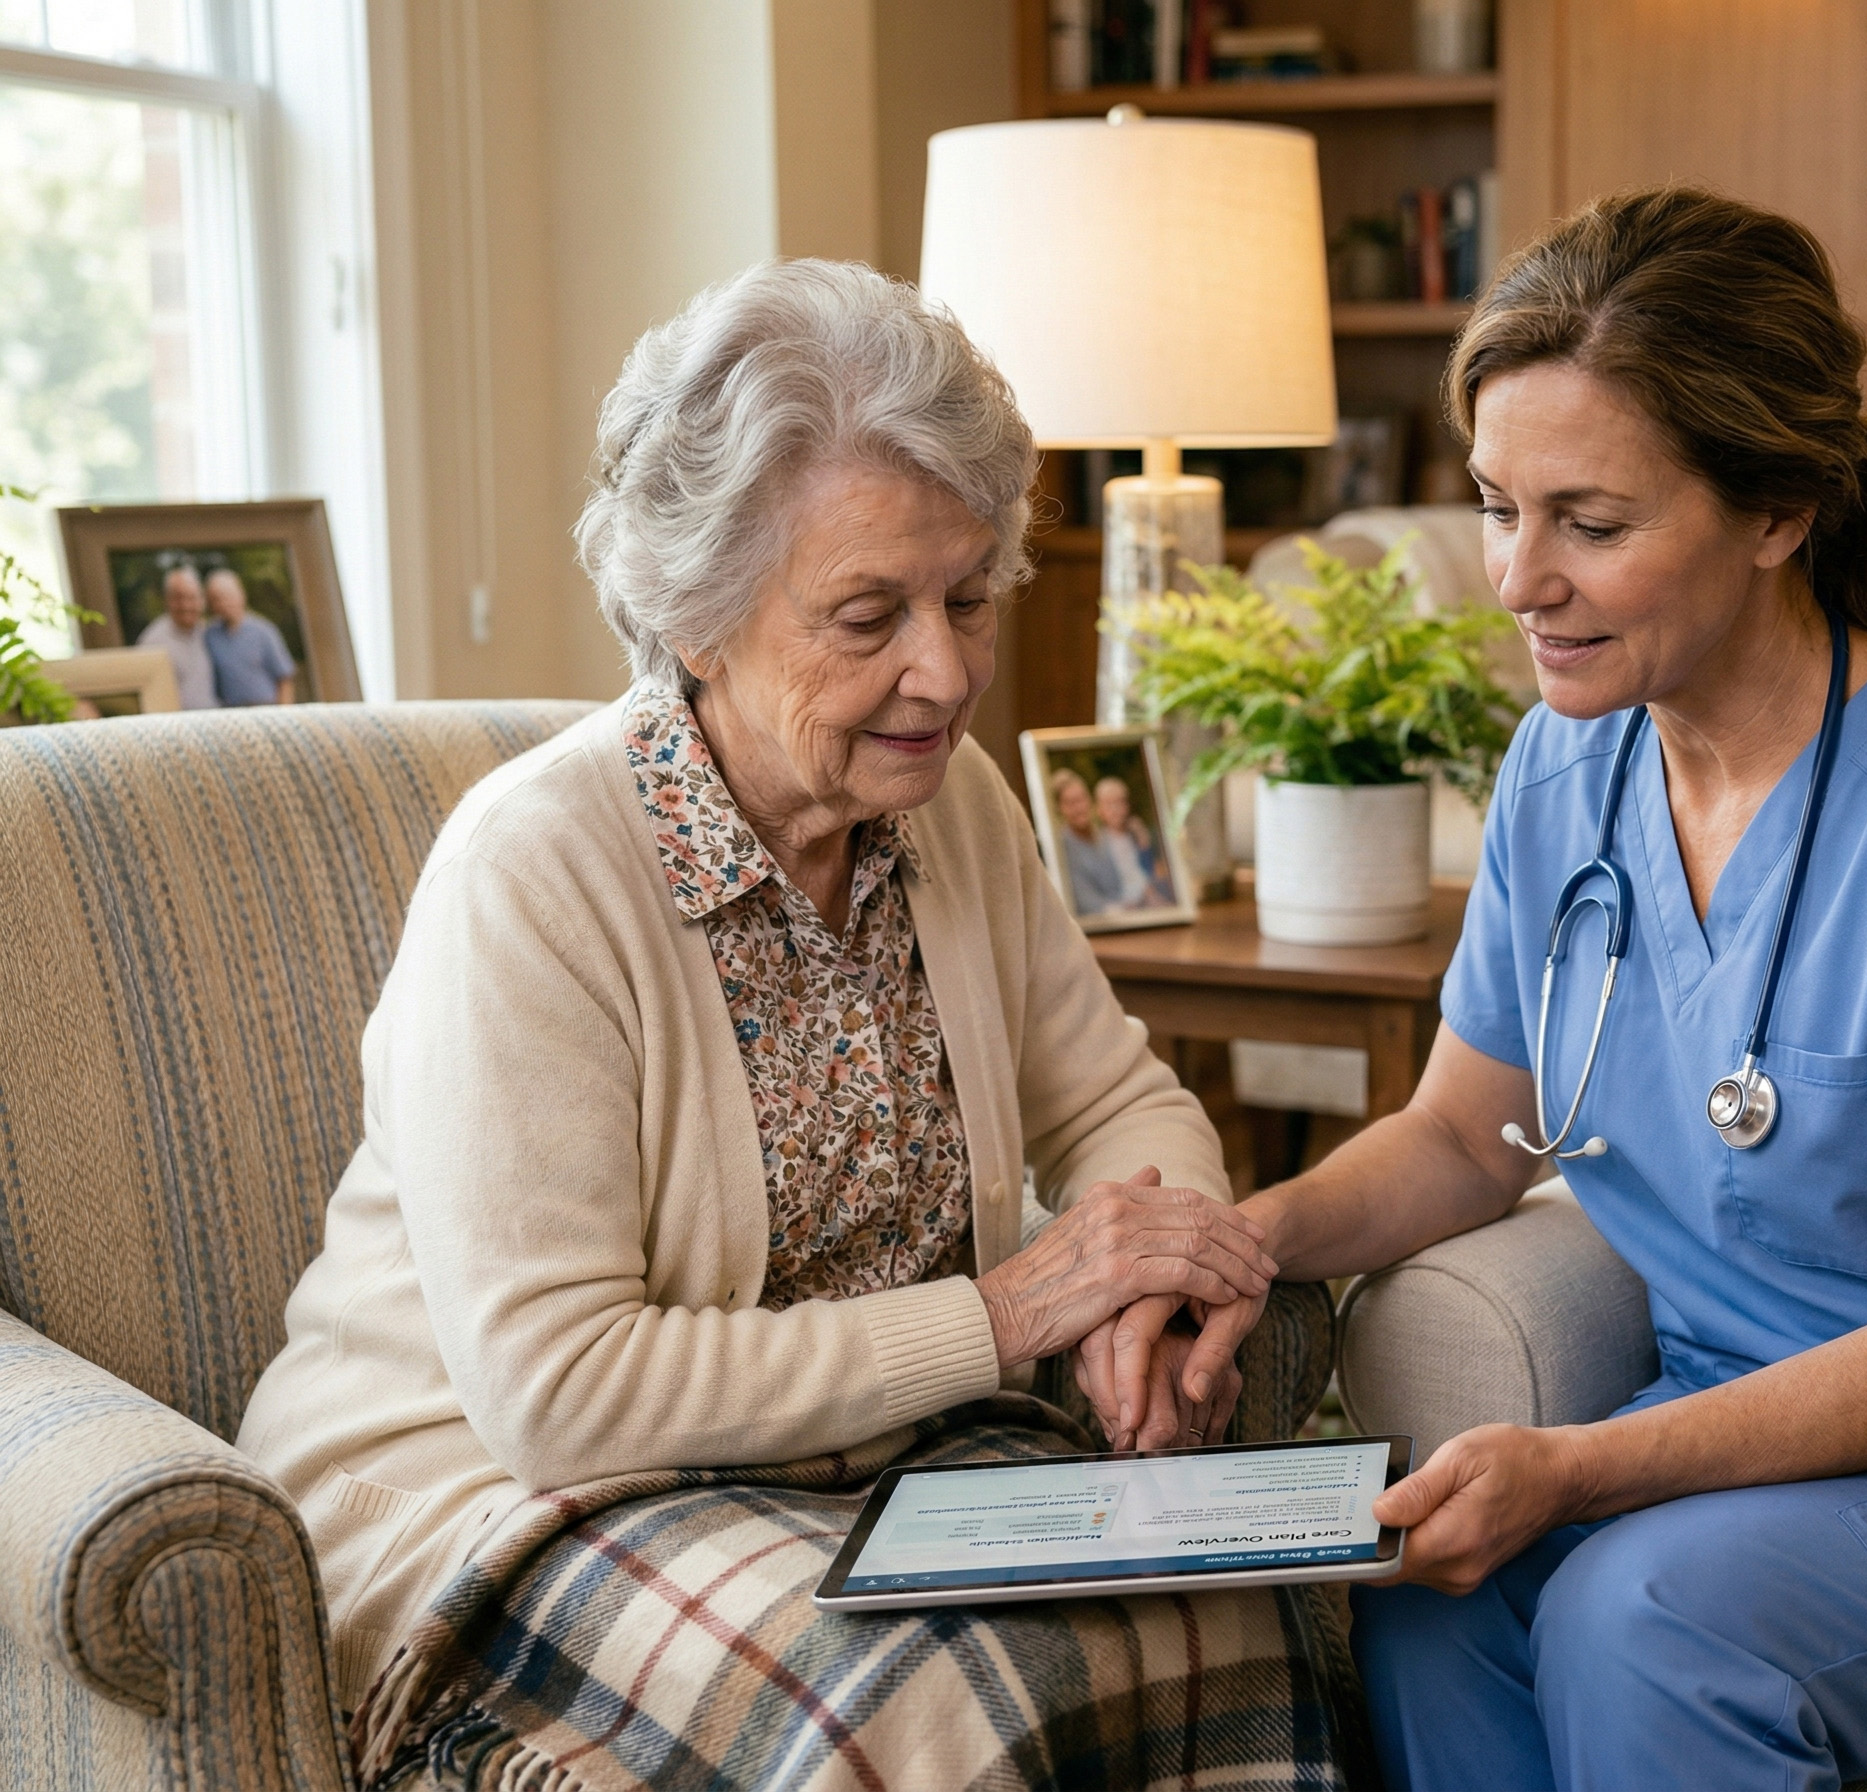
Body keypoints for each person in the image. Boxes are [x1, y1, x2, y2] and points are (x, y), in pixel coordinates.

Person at [1105, 188, 1867, 1790]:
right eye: (1494, 506)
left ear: (1777, 511)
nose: (1516, 579)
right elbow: (1473, 1138)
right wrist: (1236, 1246)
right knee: (1420, 1605)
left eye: (1590, 524)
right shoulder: (1564, 763)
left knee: (1640, 1613)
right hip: (1763, 1447)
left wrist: (1583, 1470)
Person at [238, 261, 1344, 1789]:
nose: (945, 673)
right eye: (868, 614)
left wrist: (1143, 1284)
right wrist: (1019, 1312)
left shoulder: (953, 808)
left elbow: (1121, 1104)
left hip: (881, 1472)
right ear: (699, 618)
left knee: (1224, 1619)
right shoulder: (535, 872)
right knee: (936, 1699)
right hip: (513, 1495)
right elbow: (564, 1394)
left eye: (966, 598)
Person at [202, 567, 296, 705]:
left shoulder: (264, 631)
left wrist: (284, 714)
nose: (223, 603)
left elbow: (285, 679)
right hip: (230, 712)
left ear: (241, 594)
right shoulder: (210, 635)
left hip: (265, 708)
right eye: (217, 599)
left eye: (227, 596)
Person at [1050, 765, 1137, 914]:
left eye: (1081, 799)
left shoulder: (1105, 834)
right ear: (1060, 808)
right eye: (1070, 803)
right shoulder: (1062, 845)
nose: (1079, 808)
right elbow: (1085, 900)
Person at [135, 562, 218, 709]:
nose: (186, 606)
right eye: (178, 598)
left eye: (192, 598)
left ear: (202, 600)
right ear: (167, 600)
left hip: (212, 722)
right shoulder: (152, 642)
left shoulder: (208, 633)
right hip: (177, 727)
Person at [1095, 774, 1175, 905]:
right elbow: (1108, 886)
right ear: (1100, 809)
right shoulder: (1099, 842)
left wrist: (1144, 845)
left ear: (1127, 806)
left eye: (1119, 802)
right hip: (1126, 902)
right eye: (1109, 804)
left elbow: (1149, 871)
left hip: (1151, 895)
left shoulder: (1134, 835)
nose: (1115, 809)